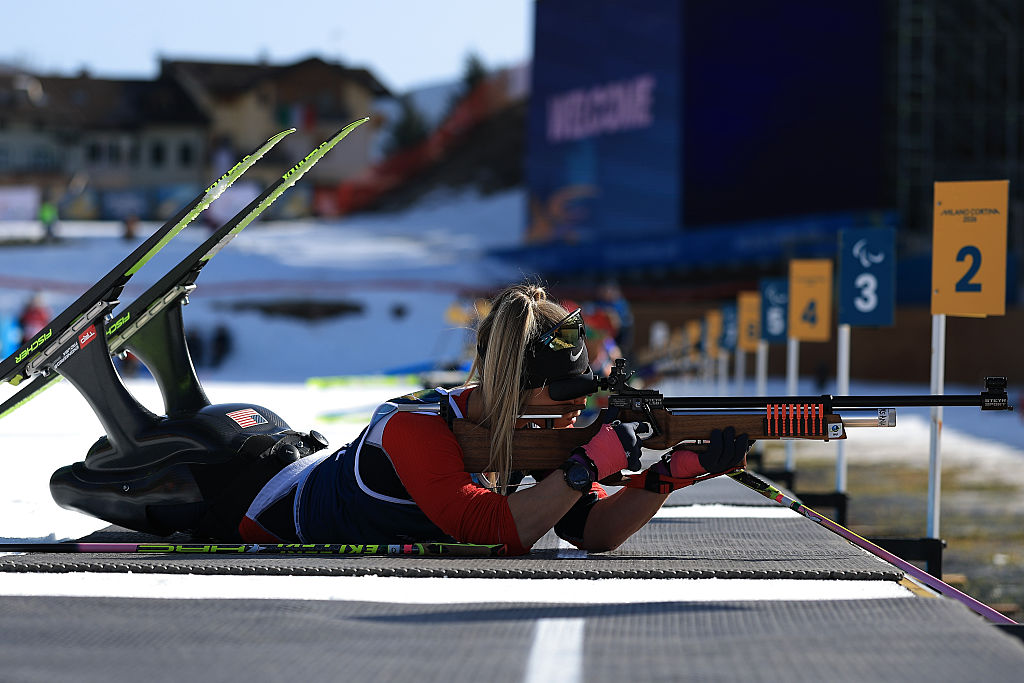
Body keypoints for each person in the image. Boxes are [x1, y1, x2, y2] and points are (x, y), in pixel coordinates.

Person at [234, 283, 750, 553]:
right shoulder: (413, 426)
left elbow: (594, 531)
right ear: (515, 388)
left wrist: (661, 480)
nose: (578, 406)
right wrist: (582, 471)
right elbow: (487, 533)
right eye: (566, 392)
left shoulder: (537, 432)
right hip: (254, 507)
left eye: (585, 390)